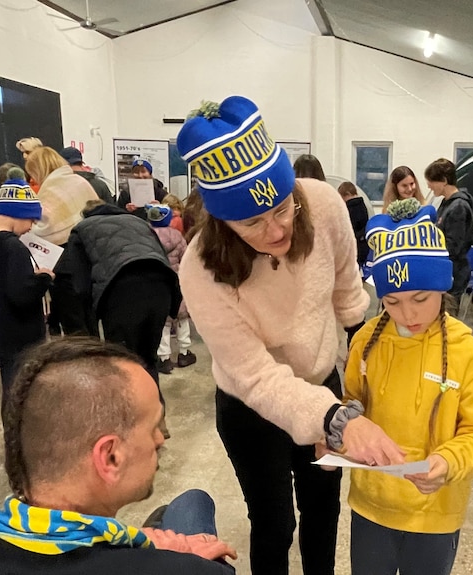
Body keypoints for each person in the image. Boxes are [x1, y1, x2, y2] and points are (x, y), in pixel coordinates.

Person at [176, 95, 403, 575]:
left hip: (322, 383)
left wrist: (356, 382)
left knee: (323, 510)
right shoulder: (200, 267)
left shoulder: (320, 203)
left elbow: (347, 289)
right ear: (221, 220)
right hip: (249, 405)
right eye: (252, 222)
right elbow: (256, 377)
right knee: (274, 522)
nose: (276, 230)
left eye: (282, 209)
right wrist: (334, 420)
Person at [0, 338, 236, 574]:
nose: (162, 438)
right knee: (193, 502)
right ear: (110, 458)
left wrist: (133, 544)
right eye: (154, 427)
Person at [340, 199, 473, 575]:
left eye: (420, 298)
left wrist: (448, 462)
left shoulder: (467, 352)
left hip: (434, 513)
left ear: (442, 288)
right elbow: (351, 403)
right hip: (371, 506)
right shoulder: (366, 340)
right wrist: (338, 436)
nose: (408, 314)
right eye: (392, 301)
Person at [58, 200, 181, 420]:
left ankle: (133, 421)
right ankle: (156, 417)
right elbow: (160, 254)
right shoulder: (138, 222)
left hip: (122, 291)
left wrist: (87, 325)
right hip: (162, 286)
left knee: (123, 361)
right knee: (147, 357)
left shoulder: (83, 229)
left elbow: (76, 280)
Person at [0, 173, 54, 417]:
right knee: (25, 392)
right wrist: (43, 278)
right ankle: (24, 445)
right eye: (31, 220)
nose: (31, 227)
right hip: (21, 333)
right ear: (18, 214)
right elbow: (21, 295)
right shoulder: (13, 247)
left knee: (10, 388)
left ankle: (12, 440)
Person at [26, 147, 99, 336]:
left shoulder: (51, 188)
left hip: (62, 262)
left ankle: (80, 362)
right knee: (90, 318)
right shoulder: (79, 182)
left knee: (73, 323)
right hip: (88, 258)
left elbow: (45, 225)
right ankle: (96, 359)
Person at [146, 204, 196, 374]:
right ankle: (184, 353)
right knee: (182, 319)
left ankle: (164, 358)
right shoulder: (177, 237)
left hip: (157, 284)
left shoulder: (147, 236)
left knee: (163, 323)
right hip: (177, 283)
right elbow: (187, 261)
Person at [425, 158, 473, 312]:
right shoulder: (446, 203)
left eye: (432, 181)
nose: (428, 185)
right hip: (443, 270)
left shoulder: (459, 206)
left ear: (444, 181)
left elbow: (453, 246)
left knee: (447, 320)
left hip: (453, 273)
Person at [337, 180, 370, 266]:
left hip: (353, 246)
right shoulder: (363, 205)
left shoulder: (350, 208)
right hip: (363, 245)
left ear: (347, 194)